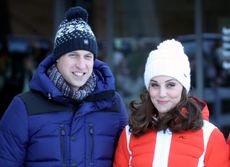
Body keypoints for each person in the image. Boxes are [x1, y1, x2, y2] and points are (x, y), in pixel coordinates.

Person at [0, 6, 128, 167]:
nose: (81, 65)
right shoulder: (24, 107)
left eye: (88, 56)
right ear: (57, 59)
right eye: (73, 55)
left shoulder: (113, 104)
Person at [113, 39, 230, 167]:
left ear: (183, 88)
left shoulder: (210, 136)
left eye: (170, 85)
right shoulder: (130, 133)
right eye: (155, 85)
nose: (162, 93)